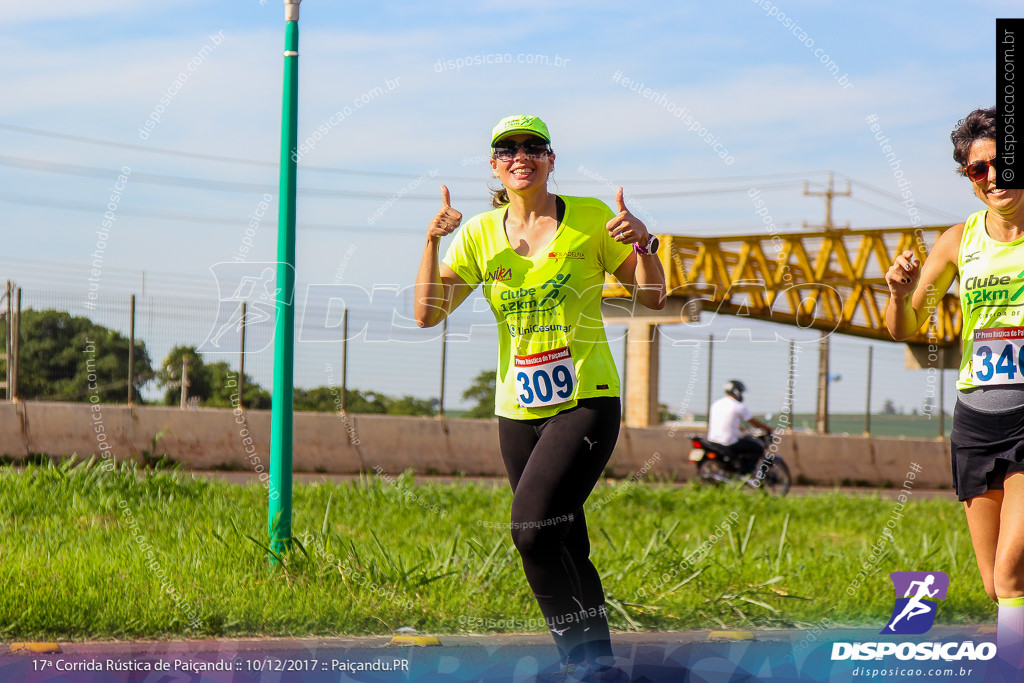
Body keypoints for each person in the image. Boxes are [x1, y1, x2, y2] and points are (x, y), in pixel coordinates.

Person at [414, 114, 666, 680]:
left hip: (585, 400)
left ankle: (583, 665)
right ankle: (595, 666)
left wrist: (645, 243)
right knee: (562, 539)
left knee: (529, 530)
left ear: (552, 160)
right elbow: (427, 313)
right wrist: (432, 242)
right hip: (516, 410)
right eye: (507, 148)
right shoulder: (479, 233)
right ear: (494, 164)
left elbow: (653, 297)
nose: (520, 156)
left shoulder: (595, 219)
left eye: (534, 147)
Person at [885, 107, 1024, 672]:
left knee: (1015, 568)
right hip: (975, 420)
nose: (991, 178)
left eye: (1001, 164)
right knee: (996, 583)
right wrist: (896, 292)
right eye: (977, 171)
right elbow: (906, 328)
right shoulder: (956, 241)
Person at [705, 380, 773, 471]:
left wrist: (739, 427)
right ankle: (746, 473)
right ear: (736, 391)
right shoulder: (738, 406)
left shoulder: (716, 404)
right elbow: (754, 422)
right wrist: (768, 428)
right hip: (728, 442)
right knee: (758, 448)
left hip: (713, 440)